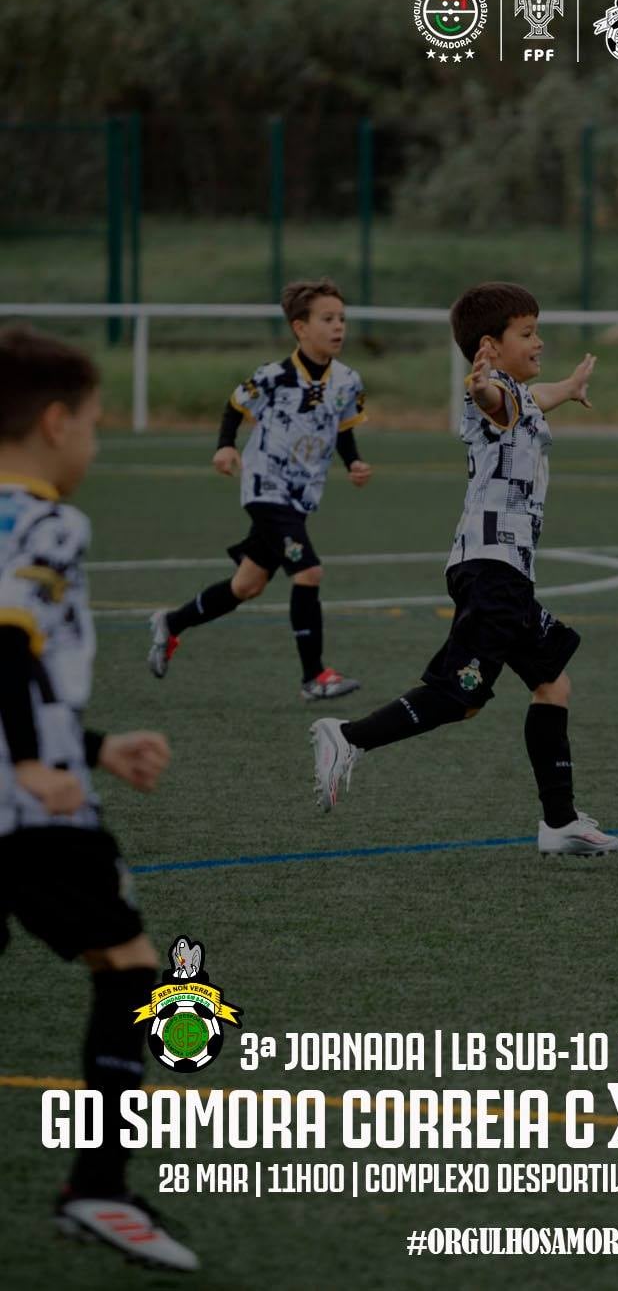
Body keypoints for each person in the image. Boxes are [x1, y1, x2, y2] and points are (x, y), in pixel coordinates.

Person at [0, 326, 199, 1271]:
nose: (93, 442)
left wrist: (91, 746)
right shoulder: (47, 521)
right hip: (31, 810)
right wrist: (35, 765)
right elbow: (5, 644)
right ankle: (99, 1189)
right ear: (54, 424)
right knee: (128, 965)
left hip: (30, 776)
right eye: (92, 424)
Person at [309, 282, 618, 858]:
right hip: (491, 569)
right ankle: (347, 737)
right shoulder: (493, 392)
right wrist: (479, 386)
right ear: (490, 346)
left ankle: (559, 822)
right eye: (527, 333)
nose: (539, 341)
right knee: (460, 697)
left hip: (503, 572)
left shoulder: (521, 393)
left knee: (552, 682)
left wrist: (569, 387)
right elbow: (492, 400)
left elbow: (533, 397)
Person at [147, 277, 370, 700]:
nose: (338, 326)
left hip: (301, 495)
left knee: (246, 585)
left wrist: (353, 461)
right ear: (300, 327)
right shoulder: (273, 376)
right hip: (266, 486)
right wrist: (225, 446)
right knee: (308, 571)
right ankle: (314, 677)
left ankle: (171, 623)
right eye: (327, 319)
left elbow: (341, 427)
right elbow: (235, 406)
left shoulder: (347, 381)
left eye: (342, 318)